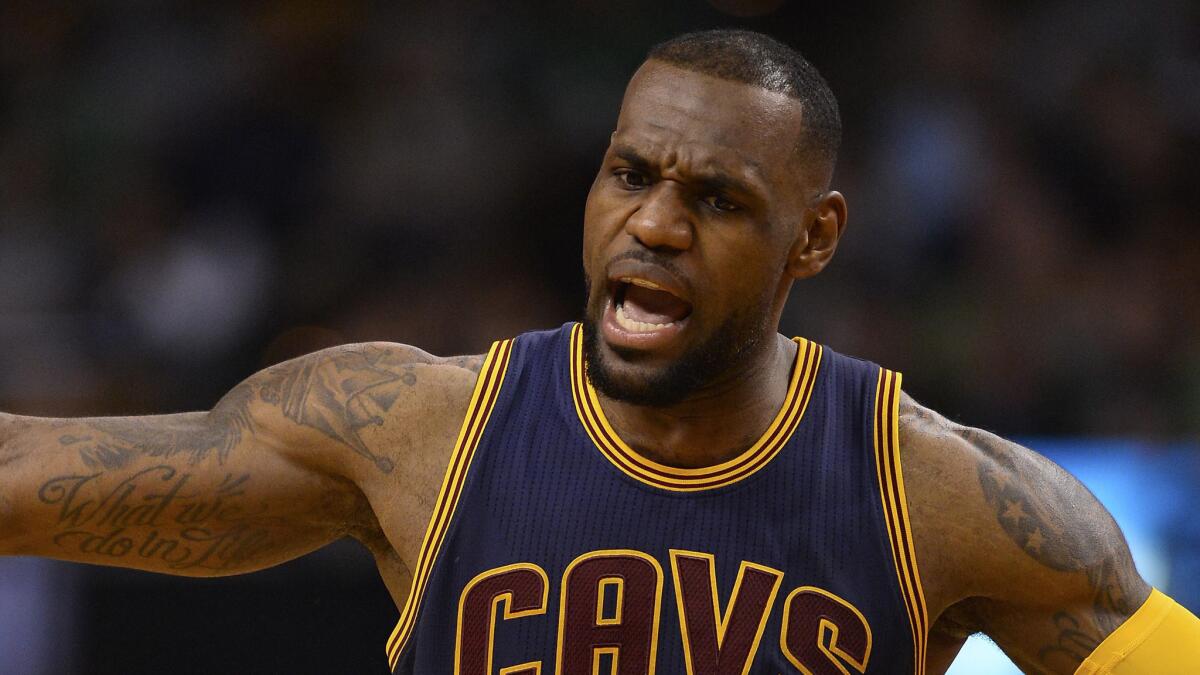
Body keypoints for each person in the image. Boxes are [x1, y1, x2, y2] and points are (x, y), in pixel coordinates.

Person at [0, 29, 1196, 675]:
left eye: (719, 201)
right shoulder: (412, 428)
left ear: (814, 238)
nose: (656, 224)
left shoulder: (941, 497)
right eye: (631, 175)